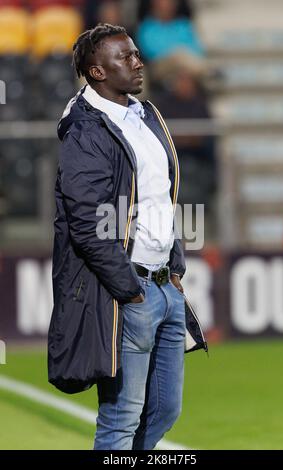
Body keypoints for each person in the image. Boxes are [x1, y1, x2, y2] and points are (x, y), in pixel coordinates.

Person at [49, 23, 187, 451]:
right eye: (124, 57)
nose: (137, 62)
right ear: (97, 72)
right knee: (120, 421)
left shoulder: (144, 115)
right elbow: (88, 224)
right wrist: (130, 291)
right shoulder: (86, 131)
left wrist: (176, 264)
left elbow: (160, 196)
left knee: (165, 410)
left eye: (135, 54)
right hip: (128, 293)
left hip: (165, 286)